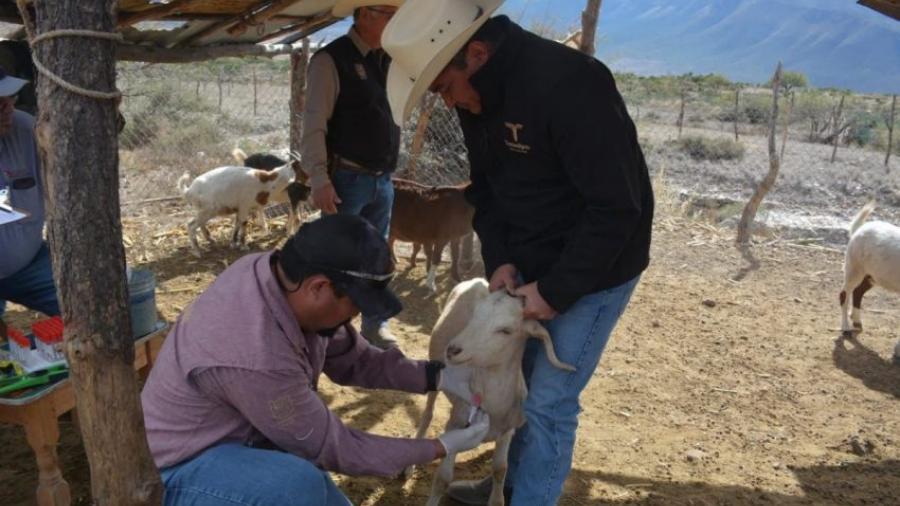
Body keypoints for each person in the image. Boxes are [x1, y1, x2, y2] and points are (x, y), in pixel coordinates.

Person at [382, 1, 655, 504]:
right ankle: (507, 482)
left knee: (549, 400)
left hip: (595, 268)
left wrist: (555, 290)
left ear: (477, 54)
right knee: (513, 381)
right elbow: (486, 192)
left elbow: (618, 209)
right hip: (528, 260)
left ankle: (530, 496)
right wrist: (501, 259)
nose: (446, 103)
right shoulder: (476, 97)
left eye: (443, 87)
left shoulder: (573, 85)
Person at [141, 214, 490, 506]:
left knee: (315, 489)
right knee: (297, 485)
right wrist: (437, 447)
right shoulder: (256, 353)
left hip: (240, 435)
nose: (354, 317)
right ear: (319, 287)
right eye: (355, 305)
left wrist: (436, 376)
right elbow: (331, 446)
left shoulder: (278, 277)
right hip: (179, 467)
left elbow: (353, 358)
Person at [301, 0, 404, 349]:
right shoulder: (330, 60)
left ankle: (375, 325)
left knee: (377, 256)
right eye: (388, 14)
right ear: (363, 14)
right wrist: (318, 178)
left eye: (396, 15)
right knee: (337, 258)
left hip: (381, 178)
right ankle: (326, 331)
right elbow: (314, 123)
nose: (394, 22)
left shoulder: (390, 60)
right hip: (346, 180)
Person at [0, 66, 60, 336]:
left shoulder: (27, 129)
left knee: (91, 305)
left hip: (29, 263)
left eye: (9, 96)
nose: (6, 106)